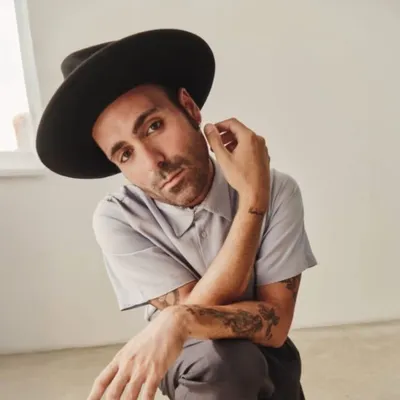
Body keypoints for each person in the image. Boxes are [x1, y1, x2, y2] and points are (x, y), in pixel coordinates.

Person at [36, 29, 317, 400]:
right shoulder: (118, 218)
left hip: (272, 362)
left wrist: (253, 197)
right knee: (225, 362)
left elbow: (275, 325)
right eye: (125, 154)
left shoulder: (276, 189)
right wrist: (179, 317)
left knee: (249, 362)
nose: (153, 161)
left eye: (154, 127)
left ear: (189, 107)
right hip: (190, 357)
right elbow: (192, 326)